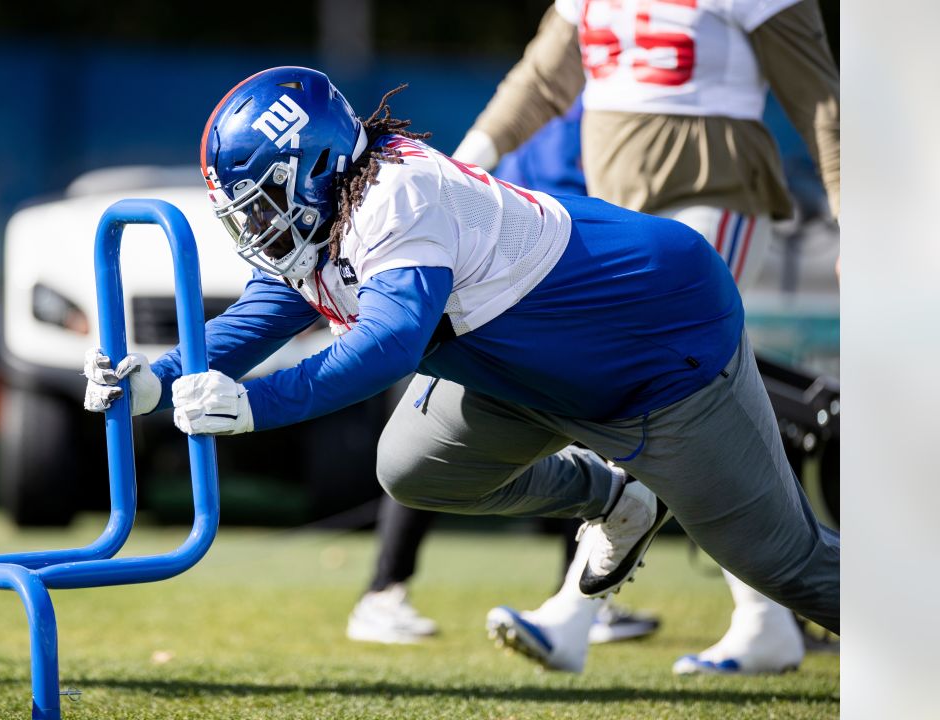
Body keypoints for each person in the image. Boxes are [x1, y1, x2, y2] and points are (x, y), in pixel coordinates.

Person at [84, 68, 840, 660]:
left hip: (656, 345)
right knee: (414, 467)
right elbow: (259, 317)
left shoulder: (398, 195)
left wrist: (254, 407)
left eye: (260, 202)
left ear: (311, 167)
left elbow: (388, 345)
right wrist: (156, 376)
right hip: (530, 370)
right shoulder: (333, 206)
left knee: (790, 567)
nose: (252, 225)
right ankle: (610, 497)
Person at [446, 0, 839, 674]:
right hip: (621, 220)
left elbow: (819, 98)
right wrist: (459, 166)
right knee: (701, 417)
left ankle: (572, 614)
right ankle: (766, 621)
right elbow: (542, 81)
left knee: (650, 397)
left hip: (718, 197)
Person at [345, 95, 660, 649]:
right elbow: (583, 211)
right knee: (434, 442)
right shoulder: (599, 110)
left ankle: (387, 591)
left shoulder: (565, 103)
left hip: (478, 289)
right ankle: (386, 591)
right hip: (497, 296)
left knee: (430, 441)